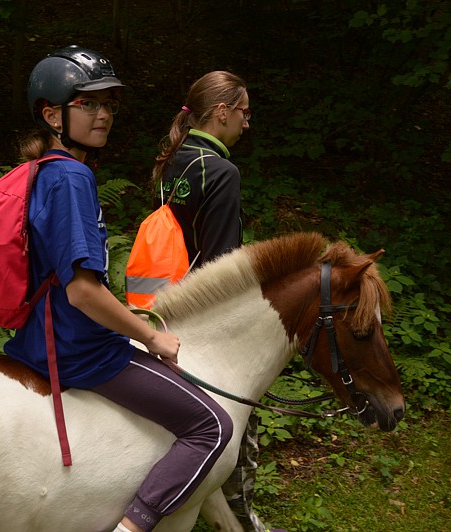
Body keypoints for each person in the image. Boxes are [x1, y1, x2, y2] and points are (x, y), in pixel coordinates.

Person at [3, 45, 234, 532]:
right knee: (213, 427)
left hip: (39, 338)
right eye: (88, 103)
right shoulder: (71, 178)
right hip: (81, 350)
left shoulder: (43, 170)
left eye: (108, 103)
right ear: (52, 114)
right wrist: (151, 337)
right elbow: (83, 292)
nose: (103, 114)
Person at [152, 71, 268, 532]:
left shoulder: (174, 158)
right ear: (222, 112)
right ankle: (242, 518)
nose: (247, 123)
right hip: (208, 316)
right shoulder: (221, 170)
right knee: (238, 423)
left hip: (166, 305)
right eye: (244, 112)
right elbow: (220, 264)